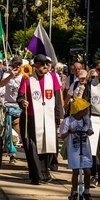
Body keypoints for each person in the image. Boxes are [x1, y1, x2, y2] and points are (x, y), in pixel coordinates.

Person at [16, 54, 63, 184]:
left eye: (47, 64)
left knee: (47, 146)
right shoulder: (27, 78)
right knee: (33, 148)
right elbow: (20, 96)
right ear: (35, 66)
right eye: (42, 65)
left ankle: (45, 172)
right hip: (31, 118)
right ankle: (37, 175)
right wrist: (22, 102)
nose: (45, 67)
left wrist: (60, 116)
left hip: (48, 117)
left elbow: (58, 98)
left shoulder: (52, 77)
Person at [58, 98, 94, 200]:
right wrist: (69, 131)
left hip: (85, 148)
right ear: (79, 110)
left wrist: (89, 132)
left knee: (87, 171)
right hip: (74, 150)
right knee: (76, 172)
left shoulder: (87, 120)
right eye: (85, 109)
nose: (88, 110)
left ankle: (86, 191)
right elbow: (62, 135)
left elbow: (91, 131)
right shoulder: (68, 121)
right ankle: (74, 192)